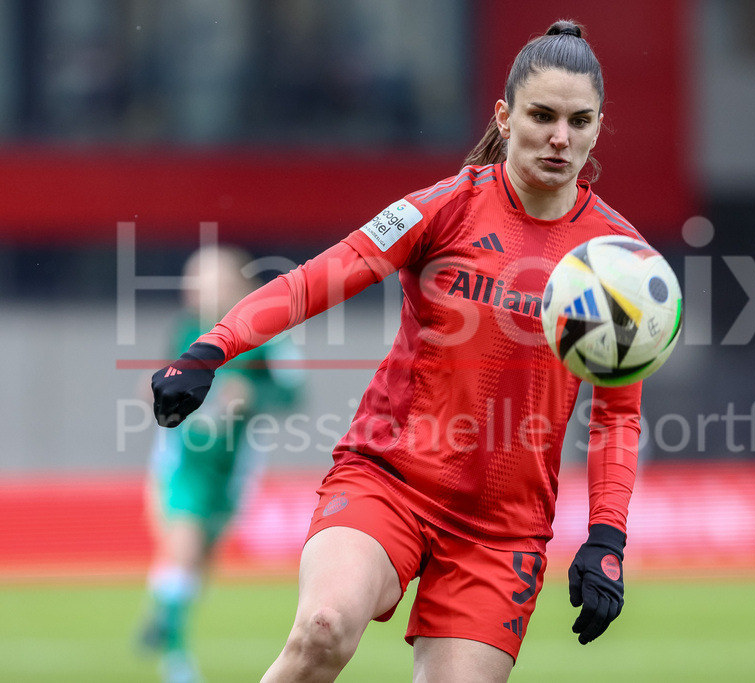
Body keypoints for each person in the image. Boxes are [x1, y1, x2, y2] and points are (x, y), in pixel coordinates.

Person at [152, 20, 645, 683]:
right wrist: (211, 348)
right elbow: (311, 281)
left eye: (578, 120)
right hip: (389, 480)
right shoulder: (439, 209)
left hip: (502, 530)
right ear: (504, 116)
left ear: (597, 126)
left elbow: (618, 413)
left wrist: (607, 535)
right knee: (322, 630)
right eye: (543, 115)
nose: (561, 136)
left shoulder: (619, 261)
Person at [139, 245, 303, 683]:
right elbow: (168, 381)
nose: (195, 292)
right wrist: (156, 390)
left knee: (201, 564)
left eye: (207, 282)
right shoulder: (186, 331)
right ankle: (176, 663)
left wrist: (253, 398)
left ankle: (163, 610)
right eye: (192, 283)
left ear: (236, 286)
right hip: (184, 459)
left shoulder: (270, 335)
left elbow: (291, 393)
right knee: (185, 548)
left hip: (233, 469)